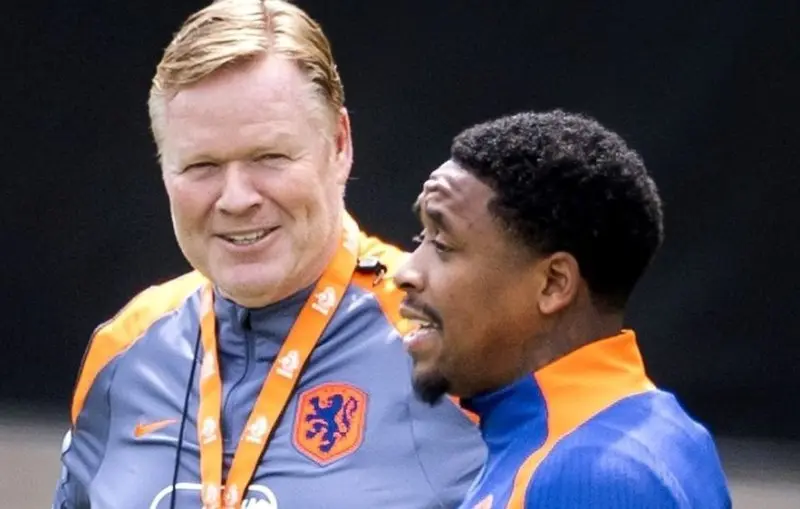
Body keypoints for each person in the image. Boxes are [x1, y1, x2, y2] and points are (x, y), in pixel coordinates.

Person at [52, 1, 484, 508]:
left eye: (269, 157)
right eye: (201, 166)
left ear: (339, 145)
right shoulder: (125, 351)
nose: (236, 199)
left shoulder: (454, 339)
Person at [395, 110, 732, 508]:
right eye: (421, 236)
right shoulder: (642, 428)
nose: (406, 272)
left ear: (554, 284)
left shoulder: (590, 474)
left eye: (443, 244)